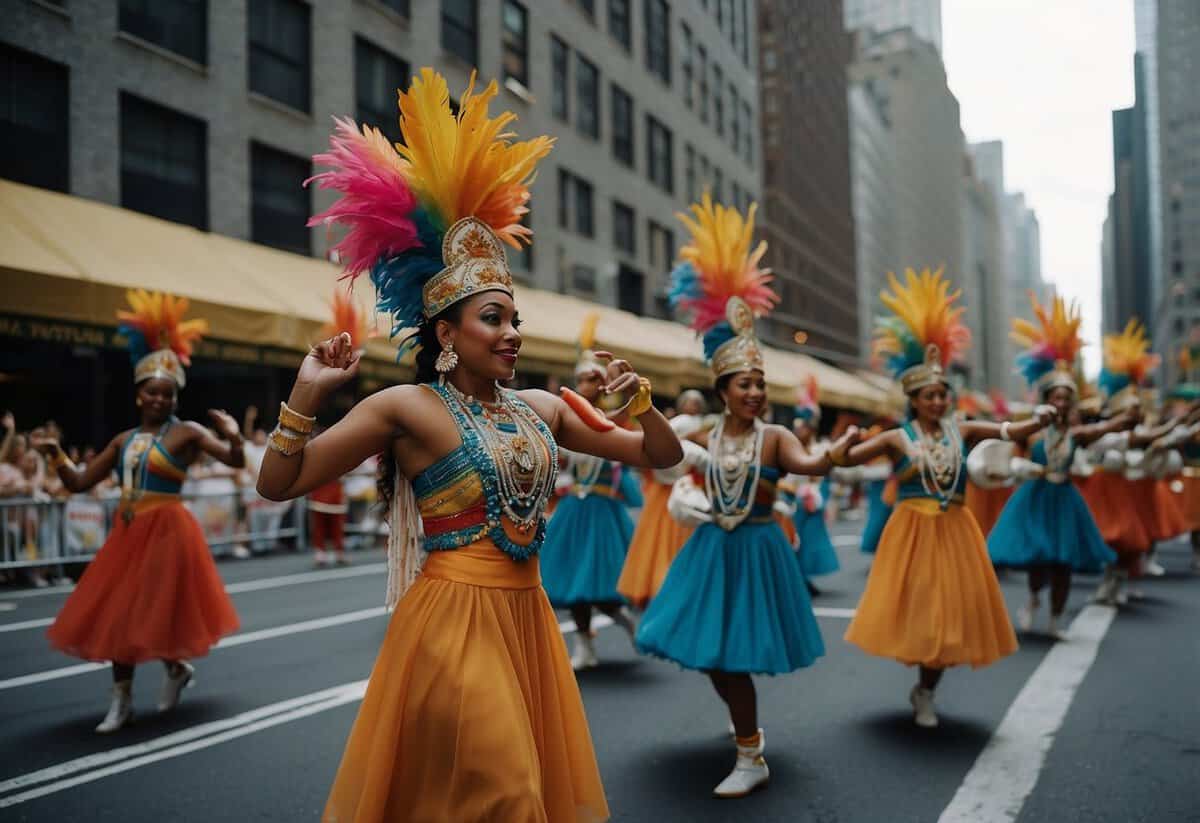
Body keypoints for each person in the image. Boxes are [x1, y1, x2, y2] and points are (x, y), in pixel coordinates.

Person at [258, 68, 681, 822]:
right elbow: (278, 483)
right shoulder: (408, 408)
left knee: (505, 795)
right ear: (446, 333)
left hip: (526, 618)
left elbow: (661, 457)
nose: (512, 333)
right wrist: (306, 394)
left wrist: (640, 405)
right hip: (451, 623)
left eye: (514, 318)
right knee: (506, 794)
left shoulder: (544, 408)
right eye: (493, 318)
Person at [635, 194, 842, 798]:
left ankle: (751, 754)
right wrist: (639, 412)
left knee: (733, 659)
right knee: (712, 656)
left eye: (760, 384)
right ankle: (746, 732)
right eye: (745, 384)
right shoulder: (703, 431)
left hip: (755, 551)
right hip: (709, 552)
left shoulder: (777, 436)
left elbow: (807, 462)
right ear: (723, 390)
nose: (756, 392)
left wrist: (830, 455)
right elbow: (661, 455)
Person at [833, 268, 1054, 728]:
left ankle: (925, 689)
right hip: (911, 530)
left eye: (943, 394)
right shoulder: (897, 436)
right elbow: (847, 457)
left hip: (955, 530)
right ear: (914, 400)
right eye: (930, 395)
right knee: (925, 614)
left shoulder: (965, 429)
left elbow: (1008, 431)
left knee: (949, 618)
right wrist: (841, 444)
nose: (938, 401)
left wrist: (1038, 420)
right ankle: (924, 688)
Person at [35, 290, 242, 733]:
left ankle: (168, 672)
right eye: (152, 393)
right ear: (138, 396)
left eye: (167, 395)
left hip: (169, 532)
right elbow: (77, 483)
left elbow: (235, 462)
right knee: (125, 614)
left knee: (151, 612)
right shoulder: (123, 440)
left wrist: (235, 435)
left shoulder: (187, 431)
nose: (160, 401)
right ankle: (130, 697)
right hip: (128, 535)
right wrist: (54, 454)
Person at [987, 294, 1129, 638]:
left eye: (1067, 397)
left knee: (1063, 563)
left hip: (1064, 500)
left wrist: (1127, 416)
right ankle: (1035, 597)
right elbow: (1009, 455)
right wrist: (1019, 467)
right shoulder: (1030, 429)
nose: (1061, 402)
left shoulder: (1077, 433)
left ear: (1072, 402)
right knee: (1039, 561)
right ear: (1046, 398)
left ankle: (1054, 619)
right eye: (1056, 396)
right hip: (1034, 498)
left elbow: (1105, 428)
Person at [541, 316, 641, 669]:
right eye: (581, 379)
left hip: (602, 512)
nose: (585, 385)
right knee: (573, 587)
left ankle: (625, 622)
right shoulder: (562, 419)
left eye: (592, 380)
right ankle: (585, 646)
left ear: (603, 386)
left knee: (605, 588)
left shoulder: (614, 420)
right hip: (574, 509)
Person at [617, 389, 706, 609]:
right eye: (689, 402)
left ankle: (673, 589)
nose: (692, 407)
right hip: (669, 494)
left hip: (686, 494)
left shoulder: (701, 433)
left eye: (696, 403)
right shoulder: (679, 431)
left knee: (674, 545)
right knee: (661, 544)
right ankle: (663, 588)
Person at [785, 378, 840, 592]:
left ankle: (804, 577)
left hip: (815, 502)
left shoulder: (822, 447)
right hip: (794, 501)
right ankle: (798, 578)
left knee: (810, 542)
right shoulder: (789, 447)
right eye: (798, 427)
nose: (801, 431)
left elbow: (829, 472)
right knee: (795, 540)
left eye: (805, 427)